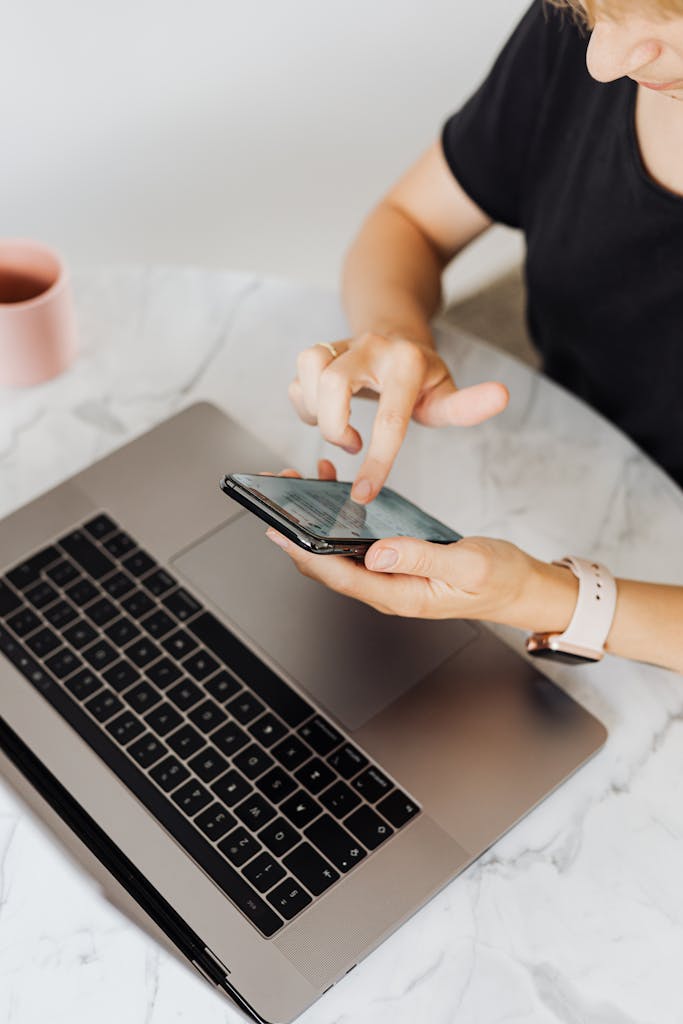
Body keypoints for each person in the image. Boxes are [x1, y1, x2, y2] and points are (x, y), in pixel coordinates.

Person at [267, 0, 683, 674]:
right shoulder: (588, 29)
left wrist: (548, 599)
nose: (600, 62)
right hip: (569, 470)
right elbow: (409, 222)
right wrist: (392, 332)